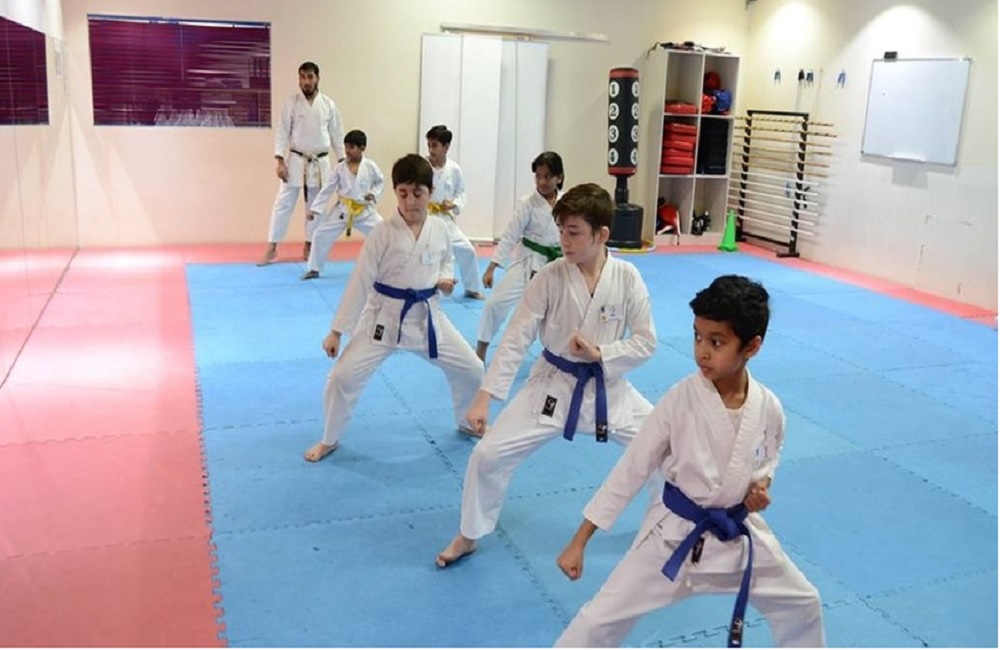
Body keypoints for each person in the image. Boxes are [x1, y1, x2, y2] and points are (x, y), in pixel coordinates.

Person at [553, 275, 826, 648]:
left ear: (752, 346)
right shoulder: (679, 400)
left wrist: (761, 488)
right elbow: (630, 471)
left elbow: (767, 458)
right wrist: (580, 540)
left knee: (804, 605)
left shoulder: (769, 407)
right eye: (698, 337)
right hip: (673, 538)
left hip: (736, 536)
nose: (702, 352)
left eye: (717, 342)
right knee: (597, 621)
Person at [436, 183, 657, 567]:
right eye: (561, 231)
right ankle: (470, 533)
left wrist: (602, 353)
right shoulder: (549, 277)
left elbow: (646, 341)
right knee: (487, 455)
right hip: (553, 386)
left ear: (602, 234)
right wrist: (485, 397)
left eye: (574, 232)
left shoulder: (627, 277)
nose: (563, 241)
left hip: (607, 389)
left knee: (667, 448)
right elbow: (516, 337)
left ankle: (666, 526)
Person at [304, 154, 485, 463]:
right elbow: (359, 282)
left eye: (418, 193)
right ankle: (329, 439)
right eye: (403, 193)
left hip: (427, 319)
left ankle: (468, 422)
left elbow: (446, 259)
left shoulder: (441, 228)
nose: (410, 201)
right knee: (341, 378)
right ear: (395, 192)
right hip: (383, 319)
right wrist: (336, 331)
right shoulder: (382, 233)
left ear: (430, 192)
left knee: (473, 369)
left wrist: (444, 277)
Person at [475, 151, 565, 362]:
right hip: (527, 261)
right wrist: (492, 267)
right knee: (494, 304)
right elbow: (510, 235)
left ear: (559, 177)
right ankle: (480, 350)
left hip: (557, 265)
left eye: (547, 176)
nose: (541, 182)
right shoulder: (527, 204)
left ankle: (559, 356)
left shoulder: (567, 203)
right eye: (538, 176)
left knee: (561, 312)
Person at [259, 61, 345, 266]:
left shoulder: (328, 105)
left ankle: (309, 245)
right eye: (302, 77)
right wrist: (279, 160)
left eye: (310, 77)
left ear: (317, 78)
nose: (306, 82)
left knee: (316, 206)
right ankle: (272, 247)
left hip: (320, 162)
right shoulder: (291, 104)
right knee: (283, 204)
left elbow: (337, 135)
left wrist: (343, 161)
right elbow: (282, 133)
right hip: (296, 160)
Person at [302, 129, 385, 280]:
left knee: (384, 233)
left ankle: (387, 268)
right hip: (343, 210)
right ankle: (314, 268)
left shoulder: (370, 166)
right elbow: (327, 189)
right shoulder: (340, 168)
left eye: (351, 147)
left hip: (365, 211)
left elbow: (380, 182)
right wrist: (314, 209)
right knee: (320, 234)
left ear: (362, 148)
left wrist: (373, 193)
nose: (347, 151)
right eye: (346, 147)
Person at [425, 125, 485, 299]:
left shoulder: (454, 169)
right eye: (429, 145)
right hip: (426, 218)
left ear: (446, 147)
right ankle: (427, 287)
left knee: (467, 250)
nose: (431, 149)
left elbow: (461, 192)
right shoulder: (422, 166)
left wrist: (454, 204)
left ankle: (472, 288)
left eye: (435, 145)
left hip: (445, 219)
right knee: (428, 254)